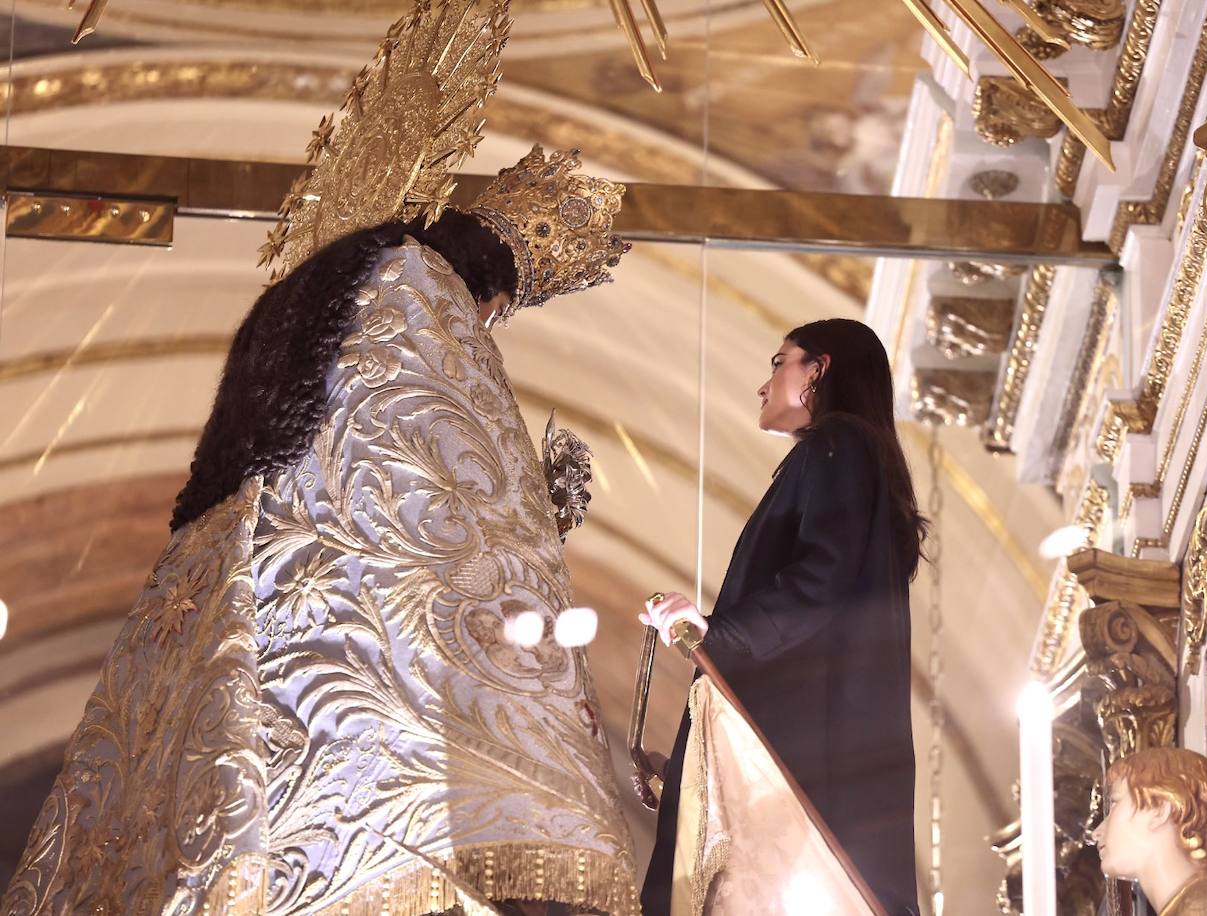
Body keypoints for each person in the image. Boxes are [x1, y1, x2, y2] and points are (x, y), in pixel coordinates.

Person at [2, 146, 641, 916]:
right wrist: (524, 521)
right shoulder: (421, 289)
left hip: (251, 581)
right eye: (497, 308)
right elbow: (449, 470)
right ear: (490, 272)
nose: (487, 325)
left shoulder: (340, 283)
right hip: (348, 614)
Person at [640, 318, 927, 915]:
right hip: (826, 756)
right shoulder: (853, 458)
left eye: (780, 361)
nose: (764, 383)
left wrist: (716, 633)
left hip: (806, 771)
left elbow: (819, 585)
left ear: (818, 369)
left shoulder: (837, 446)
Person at [1091, 747, 1207, 916]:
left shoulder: (1205, 909)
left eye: (1115, 803)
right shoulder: (1197, 903)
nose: (1097, 832)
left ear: (1159, 809)